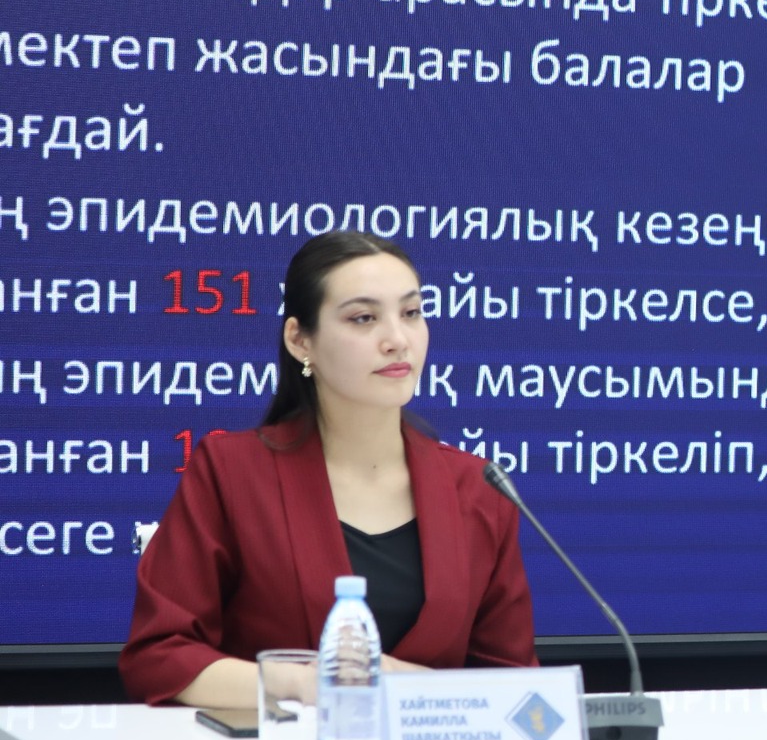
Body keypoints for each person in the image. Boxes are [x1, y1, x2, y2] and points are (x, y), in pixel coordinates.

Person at [121, 232, 537, 707]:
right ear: (301, 341)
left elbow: (520, 693)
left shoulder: (479, 489)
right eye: (364, 318)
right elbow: (159, 657)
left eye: (411, 313)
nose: (398, 340)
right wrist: (302, 683)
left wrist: (410, 688)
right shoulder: (231, 473)